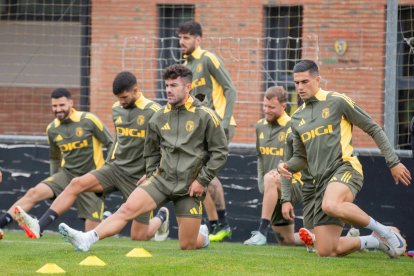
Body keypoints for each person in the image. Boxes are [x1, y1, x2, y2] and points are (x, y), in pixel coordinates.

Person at [57, 64, 228, 251]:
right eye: (167, 85)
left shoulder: (206, 116)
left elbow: (220, 153)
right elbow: (152, 151)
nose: (168, 90)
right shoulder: (159, 117)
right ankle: (87, 238)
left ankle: (203, 236)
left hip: (190, 187)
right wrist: (151, 172)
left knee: (187, 245)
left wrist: (202, 181)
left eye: (174, 86)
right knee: (126, 209)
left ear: (188, 87)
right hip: (162, 180)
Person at [14, 72, 170, 242]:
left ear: (135, 90)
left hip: (138, 177)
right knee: (76, 183)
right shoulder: (117, 108)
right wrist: (109, 161)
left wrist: (152, 172)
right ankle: (40, 225)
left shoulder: (154, 111)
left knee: (139, 236)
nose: (121, 101)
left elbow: (167, 146)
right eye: (118, 98)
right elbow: (118, 140)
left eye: (124, 97)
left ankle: (161, 217)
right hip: (116, 168)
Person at [277, 60, 411, 258]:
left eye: (305, 82)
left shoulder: (337, 101)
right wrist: (286, 166)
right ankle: (375, 241)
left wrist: (393, 161)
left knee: (330, 204)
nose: (300, 87)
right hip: (320, 183)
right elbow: (301, 158)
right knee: (327, 250)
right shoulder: (296, 118)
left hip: (345, 168)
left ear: (317, 79)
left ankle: (385, 233)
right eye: (296, 83)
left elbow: (372, 128)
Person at [0, 88, 113, 239]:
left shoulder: (88, 120)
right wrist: (54, 185)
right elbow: (55, 158)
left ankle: (107, 219)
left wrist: (107, 169)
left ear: (71, 103)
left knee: (90, 234)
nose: (58, 109)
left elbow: (111, 143)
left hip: (91, 178)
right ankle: (1, 224)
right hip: (66, 175)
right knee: (34, 192)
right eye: (54, 106)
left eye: (61, 105)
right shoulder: (52, 129)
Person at [177, 21, 236, 242]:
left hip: (219, 124)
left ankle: (217, 224)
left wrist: (227, 121)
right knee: (199, 174)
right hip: (199, 128)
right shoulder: (184, 64)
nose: (182, 42)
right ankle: (218, 225)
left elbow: (231, 88)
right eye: (180, 37)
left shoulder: (208, 58)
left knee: (202, 173)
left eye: (187, 37)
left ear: (198, 39)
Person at [243, 86, 305, 246]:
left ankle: (261, 232)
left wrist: (272, 183)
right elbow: (260, 157)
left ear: (283, 106)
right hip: (271, 187)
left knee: (271, 177)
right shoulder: (260, 126)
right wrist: (262, 183)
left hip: (293, 185)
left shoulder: (294, 126)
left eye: (271, 107)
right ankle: (362, 241)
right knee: (287, 241)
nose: (266, 110)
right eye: (264, 106)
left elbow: (302, 159)